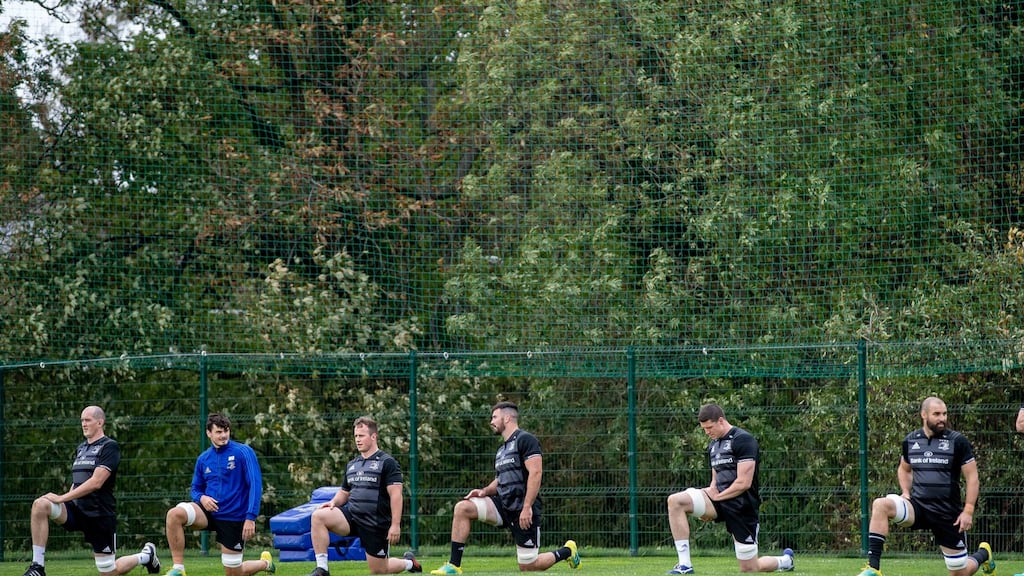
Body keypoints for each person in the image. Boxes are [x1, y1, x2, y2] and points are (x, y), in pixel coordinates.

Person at [430, 401, 580, 575]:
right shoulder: (501, 450)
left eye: (494, 417)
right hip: (502, 505)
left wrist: (526, 507)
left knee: (528, 566)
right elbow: (501, 479)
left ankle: (568, 551)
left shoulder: (526, 439)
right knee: (463, 507)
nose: (491, 421)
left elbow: (536, 472)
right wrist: (484, 491)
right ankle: (454, 566)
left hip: (523, 510)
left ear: (507, 418)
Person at [856, 396, 995, 576]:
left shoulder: (958, 441)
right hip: (919, 508)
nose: (942, 418)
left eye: (944, 414)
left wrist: (968, 510)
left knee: (959, 573)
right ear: (923, 414)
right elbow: (904, 469)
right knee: (880, 505)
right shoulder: (910, 441)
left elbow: (972, 477)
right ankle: (873, 569)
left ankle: (984, 554)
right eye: (936, 414)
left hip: (948, 514)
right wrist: (905, 492)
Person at [23, 405, 161, 576]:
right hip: (76, 511)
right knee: (40, 505)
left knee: (109, 571)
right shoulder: (81, 448)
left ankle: (146, 555)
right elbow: (78, 482)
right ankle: (37, 567)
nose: (83, 424)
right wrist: (65, 500)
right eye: (82, 420)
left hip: (99, 516)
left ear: (100, 422)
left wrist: (61, 498)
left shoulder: (110, 447)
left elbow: (96, 482)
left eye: (87, 420)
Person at [666, 403, 795, 575]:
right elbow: (716, 479)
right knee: (676, 501)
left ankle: (785, 561)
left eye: (709, 427)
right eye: (704, 429)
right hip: (719, 500)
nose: (707, 432)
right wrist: (709, 496)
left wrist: (718, 498)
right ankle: (684, 565)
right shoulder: (713, 445)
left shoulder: (743, 440)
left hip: (742, 506)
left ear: (720, 421)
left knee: (750, 568)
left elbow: (744, 483)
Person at [305, 416, 421, 575]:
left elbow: (396, 495)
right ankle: (322, 569)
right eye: (355, 436)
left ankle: (409, 563)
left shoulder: (388, 463)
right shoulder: (352, 464)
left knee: (379, 569)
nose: (357, 440)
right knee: (318, 516)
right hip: (351, 516)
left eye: (361, 436)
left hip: (375, 522)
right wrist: (333, 502)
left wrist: (395, 525)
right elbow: (344, 492)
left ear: (373, 436)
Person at [162, 413, 274, 576]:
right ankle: (178, 569)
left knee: (234, 573)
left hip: (233, 516)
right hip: (208, 512)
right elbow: (195, 489)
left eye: (226, 431)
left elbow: (255, 486)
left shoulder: (243, 452)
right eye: (219, 432)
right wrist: (202, 498)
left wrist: (250, 517)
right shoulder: (203, 459)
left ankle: (265, 563)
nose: (223, 435)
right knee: (174, 514)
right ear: (209, 433)